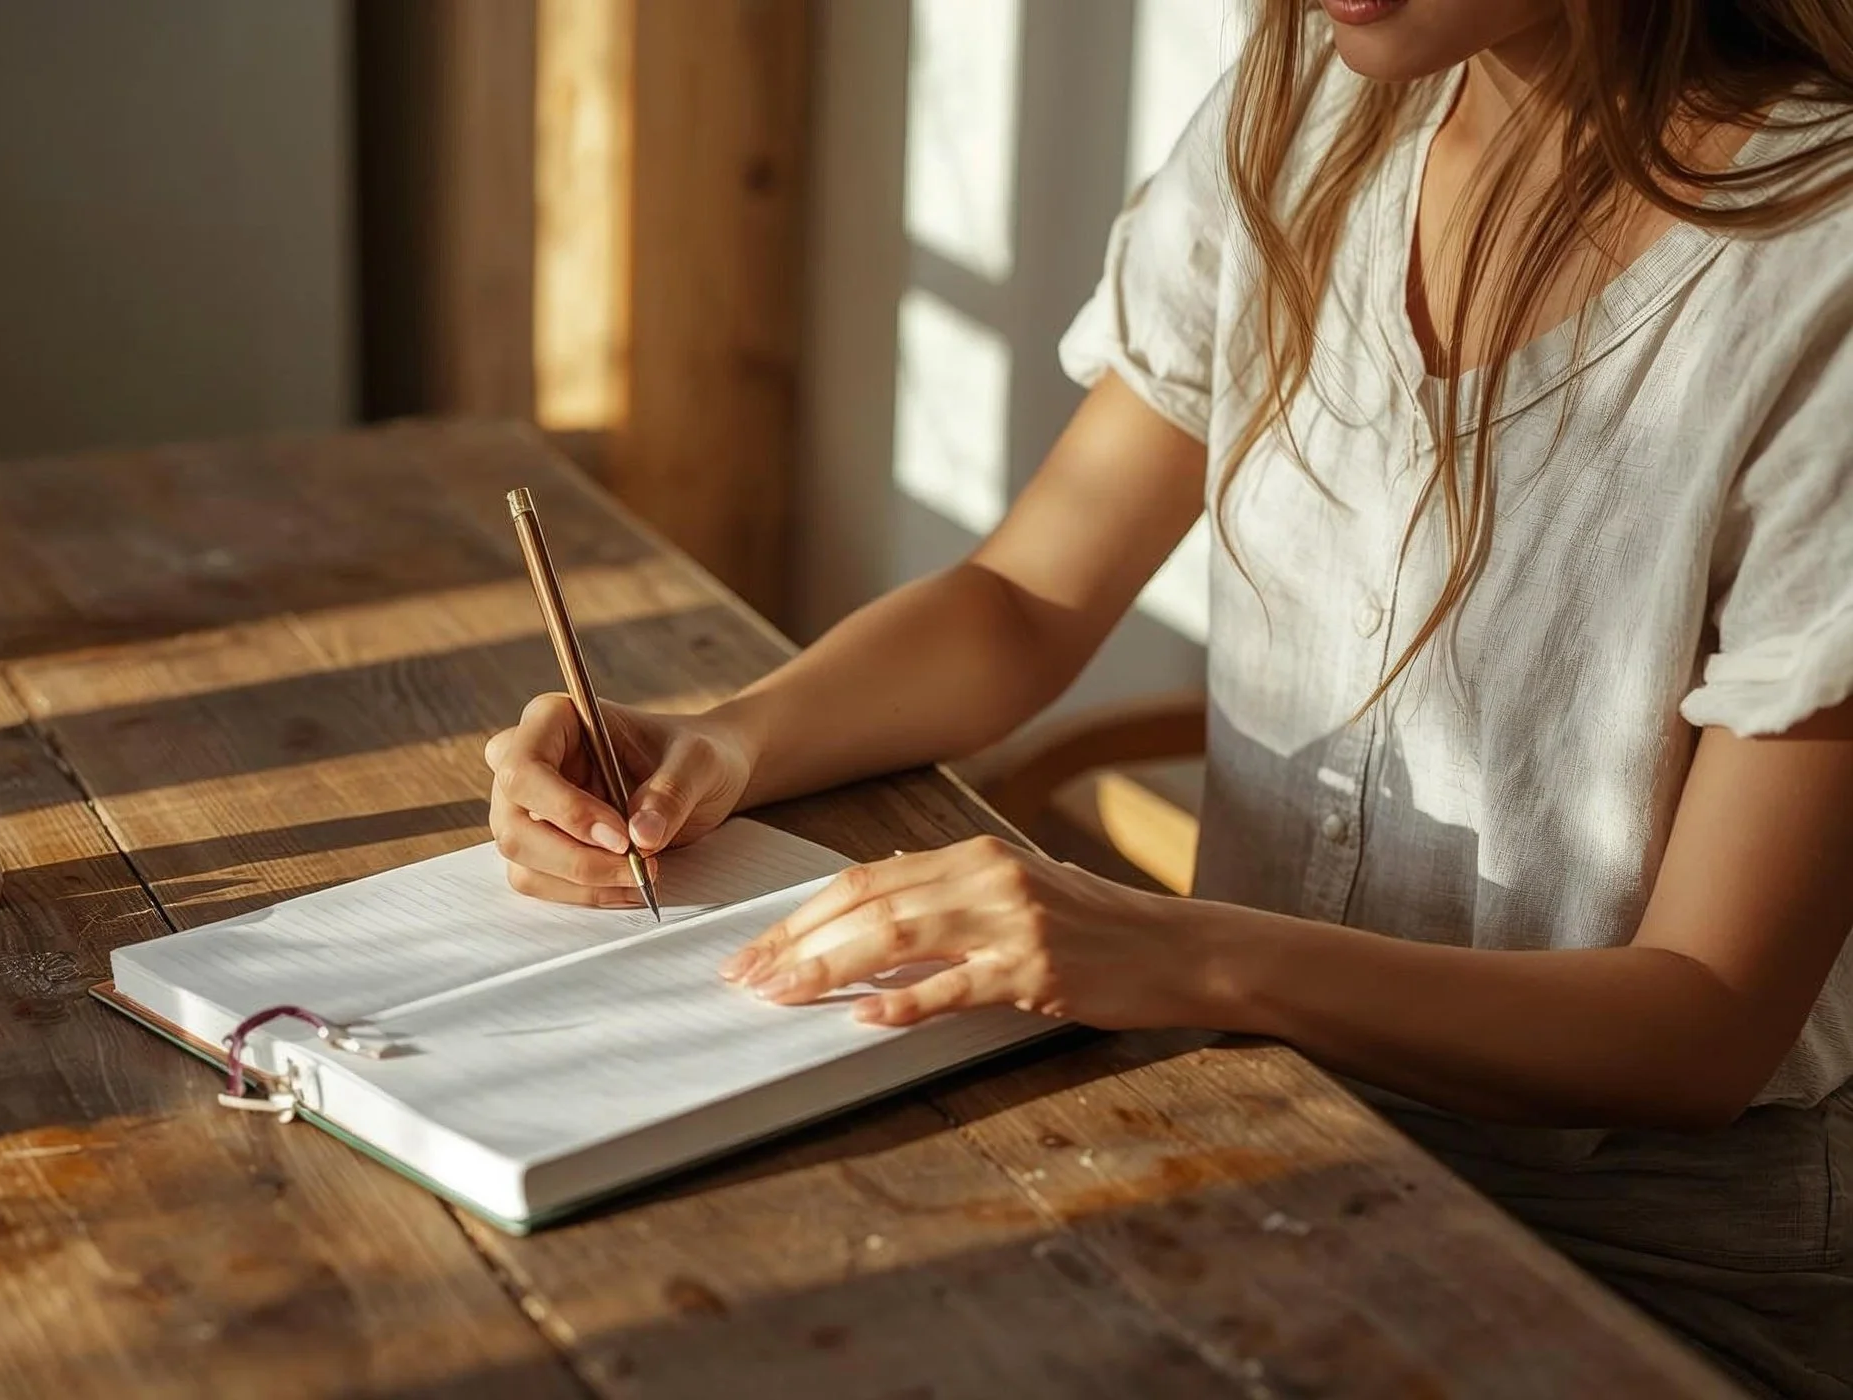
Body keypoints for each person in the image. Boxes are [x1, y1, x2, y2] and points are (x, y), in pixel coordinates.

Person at [480, 0, 1853, 1391]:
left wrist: (1183, 953)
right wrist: (719, 743)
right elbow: (1026, 600)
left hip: (1629, 1276)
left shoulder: (1821, 272)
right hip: (1256, 1131)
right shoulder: (1313, 111)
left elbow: (1704, 1023)